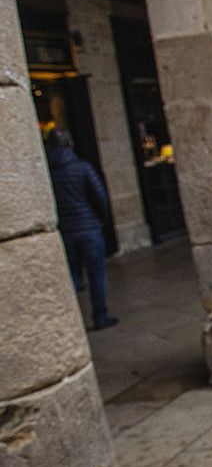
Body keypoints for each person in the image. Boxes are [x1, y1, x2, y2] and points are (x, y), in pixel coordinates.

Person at [44, 129, 118, 330]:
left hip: (66, 232)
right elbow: (99, 196)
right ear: (69, 144)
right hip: (88, 229)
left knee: (72, 278)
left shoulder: (47, 174)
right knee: (96, 274)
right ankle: (100, 316)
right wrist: (101, 219)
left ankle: (71, 324)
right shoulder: (82, 168)